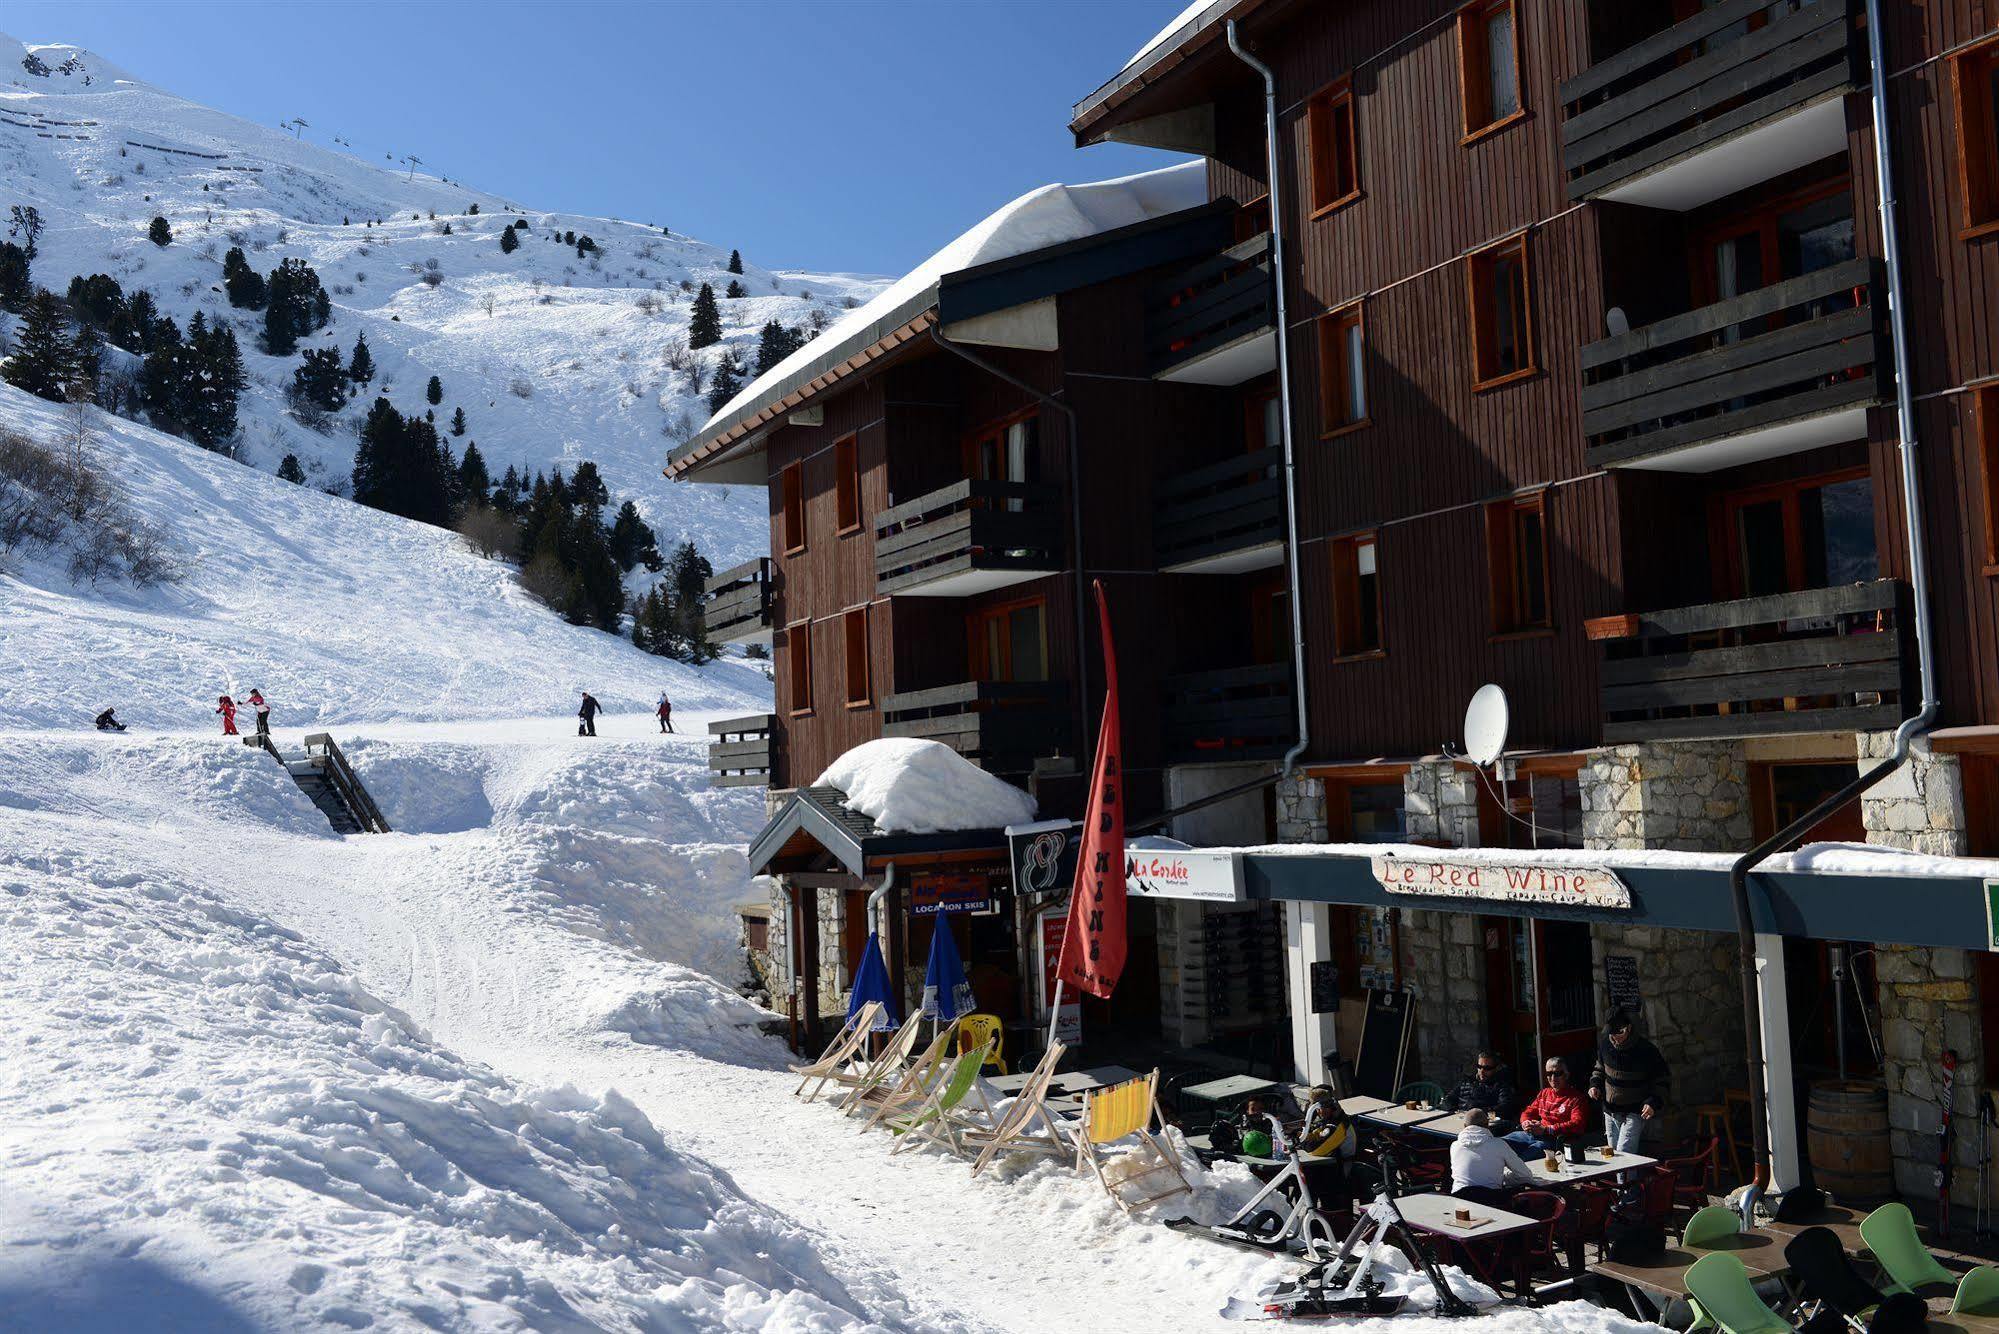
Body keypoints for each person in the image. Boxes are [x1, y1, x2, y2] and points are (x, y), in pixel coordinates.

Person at [1589, 1008, 1670, 1155]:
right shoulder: (1605, 1045)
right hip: (1610, 1110)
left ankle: (1630, 1178)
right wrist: (1594, 1085)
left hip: (1634, 1110)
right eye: (1611, 1034)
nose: (1615, 1038)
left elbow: (1662, 1079)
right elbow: (1599, 1069)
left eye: (1620, 1032)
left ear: (1629, 1028)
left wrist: (1653, 1102)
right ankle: (1624, 1179)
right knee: (1612, 1155)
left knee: (1625, 1154)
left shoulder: (1646, 1050)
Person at [1449, 1108, 1535, 1207]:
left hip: (1459, 1201)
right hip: (1491, 1201)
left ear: (1464, 1126)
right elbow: (1525, 1175)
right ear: (1488, 1125)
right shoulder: (1499, 1145)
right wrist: (1503, 1177)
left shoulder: (1455, 1146)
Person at [1506, 1057, 1590, 1155]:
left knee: (1526, 1155)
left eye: (1557, 1073)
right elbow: (1528, 1112)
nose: (1553, 1078)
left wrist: (1547, 1129)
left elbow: (1577, 1124)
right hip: (1532, 1133)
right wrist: (1526, 1123)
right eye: (1549, 1074)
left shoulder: (1577, 1098)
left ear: (1566, 1075)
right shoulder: (1544, 1093)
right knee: (1501, 1143)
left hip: (1554, 1140)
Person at [1442, 1049, 1518, 1125]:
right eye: (1479, 1066)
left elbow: (1505, 1108)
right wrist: (1456, 1112)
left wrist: (1477, 1112)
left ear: (1496, 1068)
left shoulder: (1502, 1085)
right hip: (1459, 1121)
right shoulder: (1467, 1081)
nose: (1481, 1071)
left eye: (1487, 1068)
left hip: (1483, 1124)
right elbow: (1447, 1100)